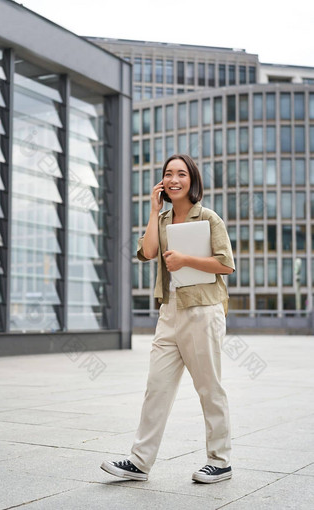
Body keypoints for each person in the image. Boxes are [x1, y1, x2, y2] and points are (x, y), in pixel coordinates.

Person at [101, 154, 236, 484]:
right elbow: (147, 252)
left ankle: (220, 461)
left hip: (202, 310)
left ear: (192, 180)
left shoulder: (208, 218)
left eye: (181, 174)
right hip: (169, 312)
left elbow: (226, 264)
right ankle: (140, 462)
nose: (174, 179)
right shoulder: (161, 221)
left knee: (209, 388)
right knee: (156, 388)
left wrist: (187, 258)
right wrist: (152, 210)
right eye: (168, 174)